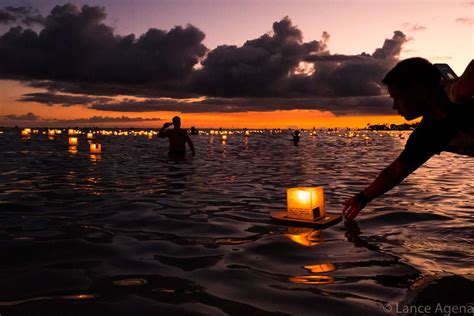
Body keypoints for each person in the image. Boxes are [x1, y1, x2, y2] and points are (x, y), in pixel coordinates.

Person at [343, 58, 474, 220]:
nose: (394, 106)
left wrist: (457, 89)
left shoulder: (461, 94)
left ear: (419, 90)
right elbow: (396, 171)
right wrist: (362, 198)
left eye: (397, 97)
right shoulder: (428, 134)